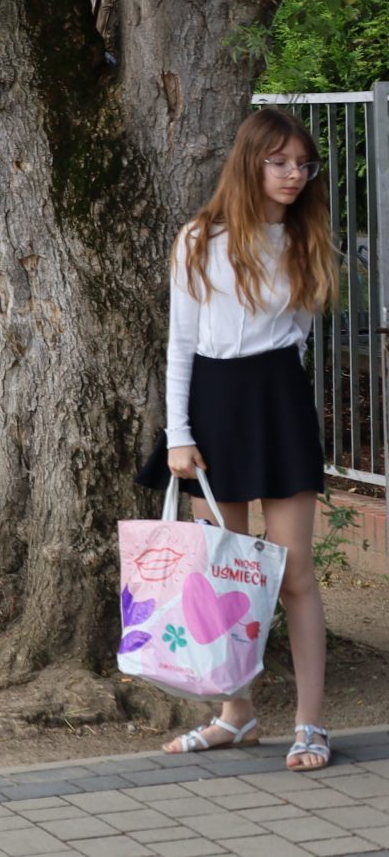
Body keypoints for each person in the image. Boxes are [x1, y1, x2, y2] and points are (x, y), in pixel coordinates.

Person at [153, 107, 338, 770]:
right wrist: (178, 434)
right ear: (252, 161)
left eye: (302, 163)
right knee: (225, 570)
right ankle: (237, 714)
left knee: (293, 572)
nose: (294, 174)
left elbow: (300, 334)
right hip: (214, 401)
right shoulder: (200, 238)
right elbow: (179, 343)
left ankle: (310, 723)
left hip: (279, 398)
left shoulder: (304, 234)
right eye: (280, 161)